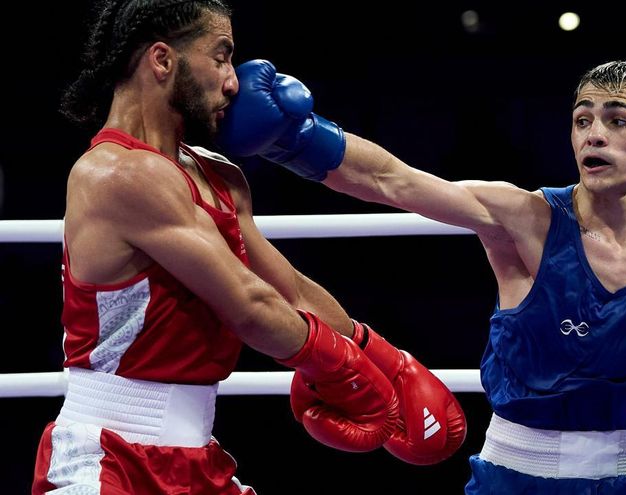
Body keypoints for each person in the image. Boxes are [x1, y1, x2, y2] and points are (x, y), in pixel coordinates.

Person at [217, 59, 626, 494]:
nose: (593, 134)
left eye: (618, 121)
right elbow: (394, 181)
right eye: (582, 120)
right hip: (518, 479)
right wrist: (295, 139)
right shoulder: (525, 219)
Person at [33, 2, 464, 493]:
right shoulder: (116, 173)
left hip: (197, 457)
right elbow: (252, 307)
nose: (234, 81)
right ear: (161, 60)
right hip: (108, 457)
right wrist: (341, 367)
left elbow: (290, 292)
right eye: (221, 57)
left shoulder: (217, 175)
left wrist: (384, 360)